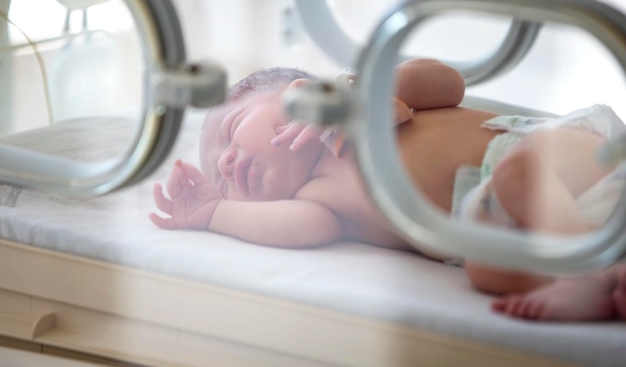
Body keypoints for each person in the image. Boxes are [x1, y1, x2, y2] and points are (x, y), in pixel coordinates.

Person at [150, 59, 626, 322]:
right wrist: (213, 213)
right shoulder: (313, 201)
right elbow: (299, 230)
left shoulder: (362, 106)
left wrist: (364, 95)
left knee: (520, 176)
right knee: (485, 268)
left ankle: (583, 275)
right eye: (222, 175)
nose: (228, 162)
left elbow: (449, 83)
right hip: (497, 225)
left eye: (232, 131)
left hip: (557, 158)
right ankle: (605, 272)